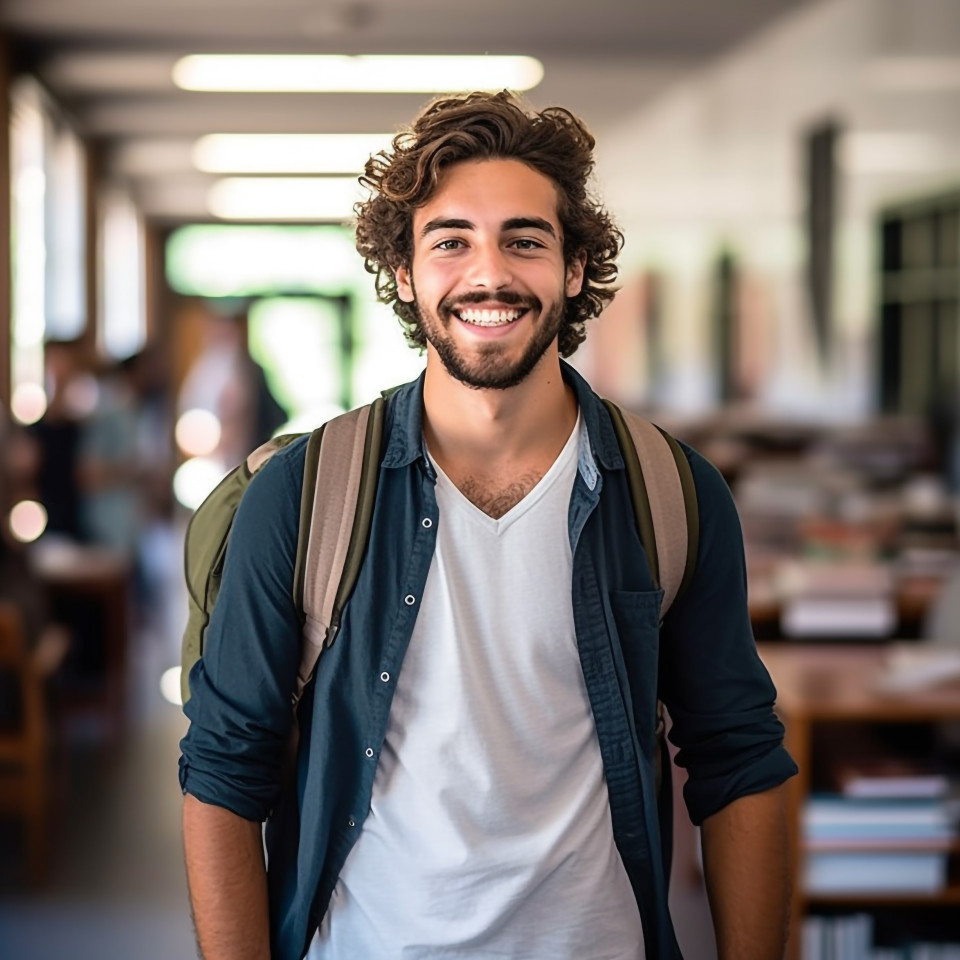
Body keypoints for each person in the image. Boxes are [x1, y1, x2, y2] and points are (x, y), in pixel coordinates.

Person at [179, 91, 798, 960]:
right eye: (451, 242)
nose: (489, 274)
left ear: (574, 267)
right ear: (405, 272)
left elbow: (739, 762)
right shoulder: (304, 498)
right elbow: (223, 770)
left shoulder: (669, 493)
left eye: (524, 239)